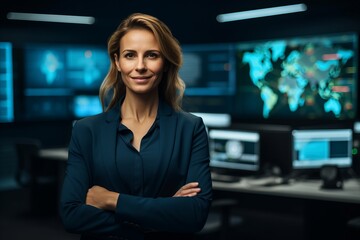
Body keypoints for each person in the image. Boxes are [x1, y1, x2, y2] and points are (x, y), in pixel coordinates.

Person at [59, 13, 213, 240]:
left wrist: (112, 200)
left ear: (166, 63)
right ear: (117, 62)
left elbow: (195, 215)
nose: (140, 66)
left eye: (151, 55)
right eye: (130, 55)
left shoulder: (190, 128)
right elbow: (72, 214)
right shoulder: (86, 130)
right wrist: (161, 216)